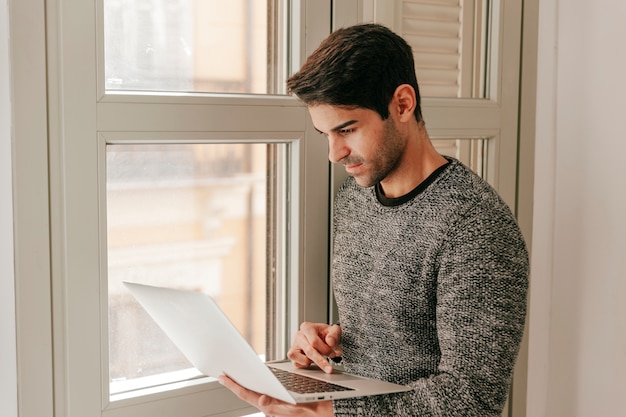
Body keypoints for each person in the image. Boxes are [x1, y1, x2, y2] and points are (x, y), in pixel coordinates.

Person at [219, 23, 529, 417]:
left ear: (402, 104)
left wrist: (330, 413)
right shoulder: (355, 198)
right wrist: (332, 341)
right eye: (324, 134)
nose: (334, 153)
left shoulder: (475, 226)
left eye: (347, 129)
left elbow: (470, 400)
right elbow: (402, 338)